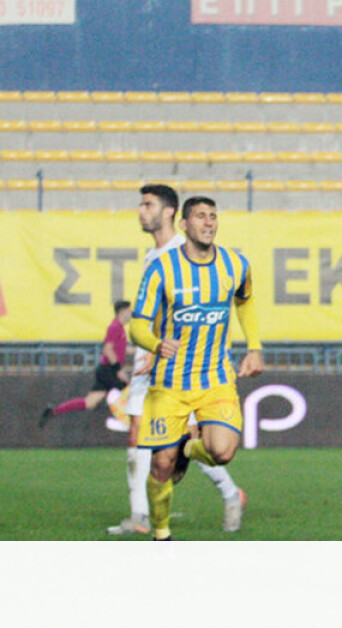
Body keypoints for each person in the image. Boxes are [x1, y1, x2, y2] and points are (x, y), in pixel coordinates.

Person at [107, 184, 250, 536]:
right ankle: (142, 515)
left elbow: (203, 313)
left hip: (184, 369)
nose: (141, 211)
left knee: (180, 442)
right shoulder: (154, 256)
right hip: (155, 359)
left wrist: (158, 352)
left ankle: (228, 493)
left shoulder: (184, 252)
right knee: (142, 437)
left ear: (170, 212)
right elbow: (156, 313)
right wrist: (149, 348)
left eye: (148, 205)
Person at [39, 300, 133, 426]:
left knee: (89, 403)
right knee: (130, 392)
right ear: (122, 312)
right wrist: (118, 369)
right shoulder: (115, 327)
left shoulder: (119, 328)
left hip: (105, 370)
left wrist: (141, 351)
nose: (131, 314)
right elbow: (107, 349)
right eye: (129, 311)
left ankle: (54, 411)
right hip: (109, 370)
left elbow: (120, 348)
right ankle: (131, 424)